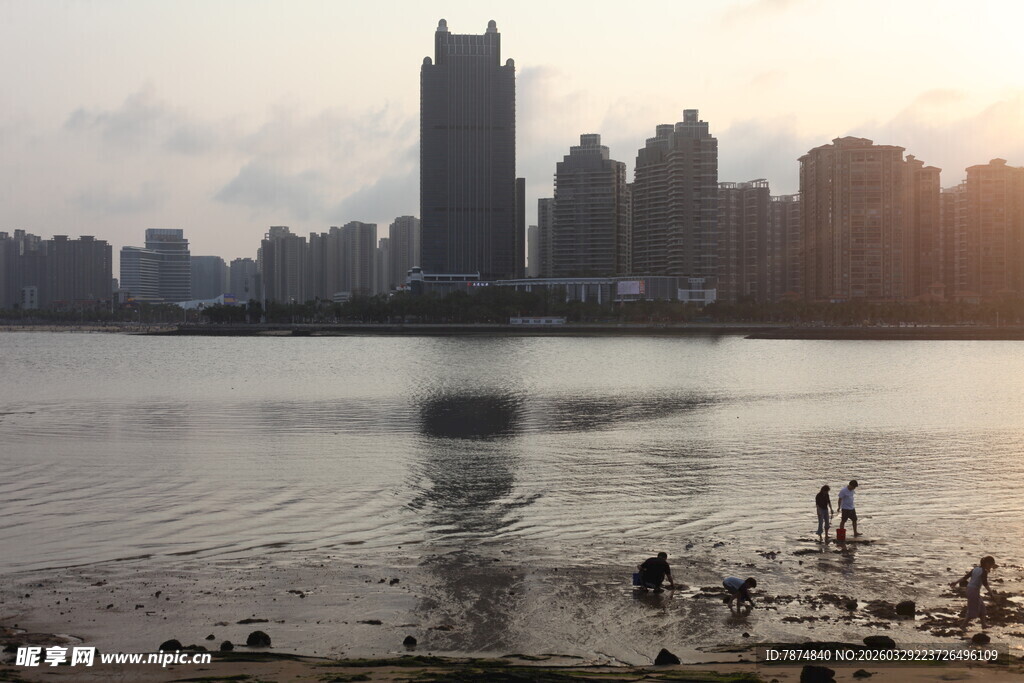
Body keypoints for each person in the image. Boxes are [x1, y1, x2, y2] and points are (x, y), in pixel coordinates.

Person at [950, 556, 997, 630]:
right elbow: (985, 583)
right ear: (987, 564)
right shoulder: (984, 571)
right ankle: (963, 625)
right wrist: (991, 593)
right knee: (973, 610)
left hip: (970, 589)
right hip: (973, 591)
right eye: (991, 565)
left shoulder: (976, 569)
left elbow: (965, 577)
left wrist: (956, 582)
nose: (991, 568)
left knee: (982, 607)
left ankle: (984, 624)